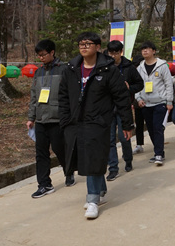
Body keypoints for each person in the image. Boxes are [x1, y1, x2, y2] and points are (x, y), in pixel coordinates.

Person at [59, 32, 134, 219]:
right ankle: (100, 189)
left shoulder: (108, 70)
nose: (84, 46)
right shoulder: (71, 69)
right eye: (81, 43)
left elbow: (121, 97)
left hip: (98, 122)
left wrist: (127, 124)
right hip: (76, 122)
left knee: (92, 157)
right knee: (85, 157)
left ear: (98, 47)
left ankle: (92, 199)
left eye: (88, 43)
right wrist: (65, 120)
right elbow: (63, 96)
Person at [27, 39, 74, 199]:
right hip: (41, 119)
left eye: (43, 54)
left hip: (58, 118)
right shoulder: (38, 72)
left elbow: (71, 95)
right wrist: (31, 117)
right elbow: (34, 96)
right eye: (39, 55)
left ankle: (68, 171)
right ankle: (44, 184)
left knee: (60, 149)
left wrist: (69, 116)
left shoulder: (65, 70)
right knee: (41, 153)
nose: (41, 58)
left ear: (52, 52)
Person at [104, 40, 144, 181]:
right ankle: (113, 168)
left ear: (121, 52)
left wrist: (129, 88)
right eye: (111, 53)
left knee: (124, 136)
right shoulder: (104, 67)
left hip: (124, 106)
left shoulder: (129, 66)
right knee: (109, 139)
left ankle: (128, 159)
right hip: (108, 107)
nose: (113, 56)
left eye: (116, 53)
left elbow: (140, 84)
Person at [135, 41, 174, 166]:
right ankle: (159, 152)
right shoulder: (139, 68)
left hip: (160, 102)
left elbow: (169, 84)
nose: (145, 51)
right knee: (151, 129)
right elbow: (137, 85)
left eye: (147, 49)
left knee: (158, 128)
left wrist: (169, 101)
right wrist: (138, 99)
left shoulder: (162, 66)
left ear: (153, 51)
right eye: (143, 49)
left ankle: (158, 153)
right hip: (146, 103)